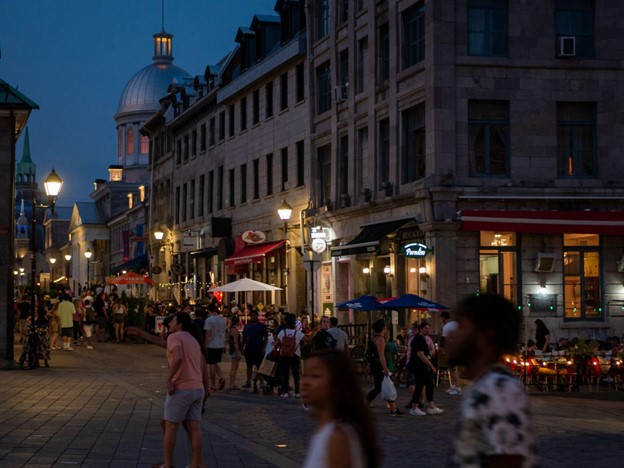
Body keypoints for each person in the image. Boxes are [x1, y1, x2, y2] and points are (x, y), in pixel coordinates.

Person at [447, 293, 536, 468]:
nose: (451, 332)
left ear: (485, 337)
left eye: (461, 325)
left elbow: (508, 460)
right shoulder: (484, 385)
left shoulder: (500, 389)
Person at [301, 348, 380, 468]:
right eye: (304, 375)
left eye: (315, 376)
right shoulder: (325, 431)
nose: (305, 382)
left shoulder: (337, 438)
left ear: (336, 382)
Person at [365, 319, 403, 416]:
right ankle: (393, 409)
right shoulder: (380, 340)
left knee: (379, 387)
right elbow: (381, 356)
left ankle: (393, 408)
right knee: (382, 386)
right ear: (384, 328)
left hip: (375, 366)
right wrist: (385, 368)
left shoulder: (375, 339)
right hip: (379, 367)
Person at [407, 322, 443, 416]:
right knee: (419, 385)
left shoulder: (419, 338)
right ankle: (414, 407)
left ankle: (431, 405)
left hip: (422, 365)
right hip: (419, 365)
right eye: (426, 328)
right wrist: (431, 365)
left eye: (428, 328)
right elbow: (420, 355)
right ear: (420, 329)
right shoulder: (419, 338)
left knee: (430, 384)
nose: (428, 330)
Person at [276, 314, 305, 398]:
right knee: (296, 374)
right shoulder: (298, 333)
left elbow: (277, 344)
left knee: (285, 374)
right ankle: (297, 392)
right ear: (294, 324)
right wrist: (314, 332)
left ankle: (285, 392)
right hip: (295, 355)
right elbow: (307, 340)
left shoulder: (282, 332)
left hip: (284, 355)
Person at [242, 309, 268, 391]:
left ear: (257, 316)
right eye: (251, 316)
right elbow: (244, 337)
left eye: (254, 316)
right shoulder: (247, 326)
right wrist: (242, 347)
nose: (253, 317)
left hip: (258, 349)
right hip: (249, 349)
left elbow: (266, 338)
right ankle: (248, 381)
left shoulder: (262, 326)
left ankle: (261, 381)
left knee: (259, 367)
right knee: (249, 366)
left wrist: (263, 348)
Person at [204, 304, 227, 391]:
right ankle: (221, 377)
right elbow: (224, 332)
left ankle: (213, 385)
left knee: (211, 364)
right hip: (220, 343)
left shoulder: (209, 320)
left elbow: (207, 333)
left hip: (211, 344)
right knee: (215, 362)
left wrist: (205, 345)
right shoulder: (222, 320)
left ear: (209, 311)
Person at [440, 311, 462, 395]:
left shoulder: (446, 327)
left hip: (452, 349)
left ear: (443, 318)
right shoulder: (455, 324)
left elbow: (446, 341)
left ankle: (458, 387)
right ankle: (454, 386)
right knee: (452, 367)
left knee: (453, 368)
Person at [227, 314, 242, 390]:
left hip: (232, 349)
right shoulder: (235, 331)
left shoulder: (231, 330)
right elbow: (236, 342)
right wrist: (238, 351)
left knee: (233, 368)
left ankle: (232, 384)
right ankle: (232, 384)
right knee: (234, 368)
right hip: (235, 350)